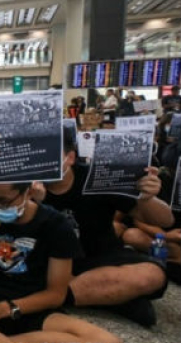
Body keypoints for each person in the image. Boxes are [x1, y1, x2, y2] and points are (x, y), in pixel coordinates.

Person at [0, 132, 156, 343]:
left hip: (25, 308)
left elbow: (55, 294)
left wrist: (9, 308)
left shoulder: (55, 225)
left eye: (3, 201)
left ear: (28, 190)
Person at [32, 126, 172, 327]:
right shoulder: (24, 186)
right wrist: (34, 206)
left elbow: (165, 221)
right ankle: (110, 298)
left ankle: (55, 297)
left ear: (70, 158)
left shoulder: (99, 177)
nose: (42, 162)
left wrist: (147, 197)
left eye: (50, 155)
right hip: (50, 263)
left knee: (153, 275)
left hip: (100, 258)